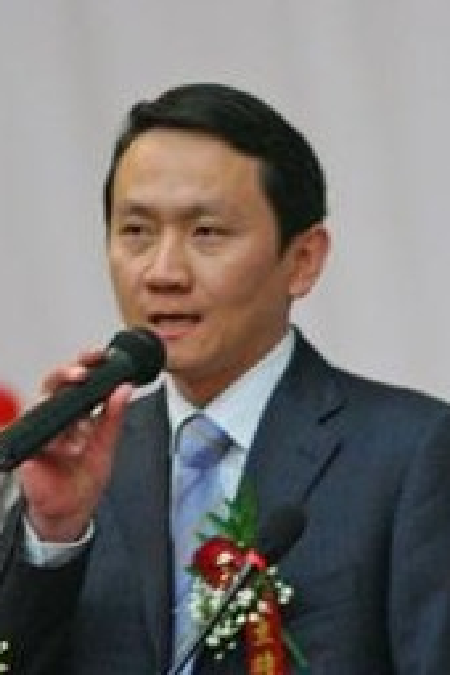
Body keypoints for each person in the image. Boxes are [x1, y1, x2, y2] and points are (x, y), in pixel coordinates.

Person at [0, 82, 449, 675]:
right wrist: (55, 534)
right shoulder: (80, 463)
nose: (163, 272)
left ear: (303, 259)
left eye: (206, 232)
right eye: (136, 231)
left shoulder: (411, 454)